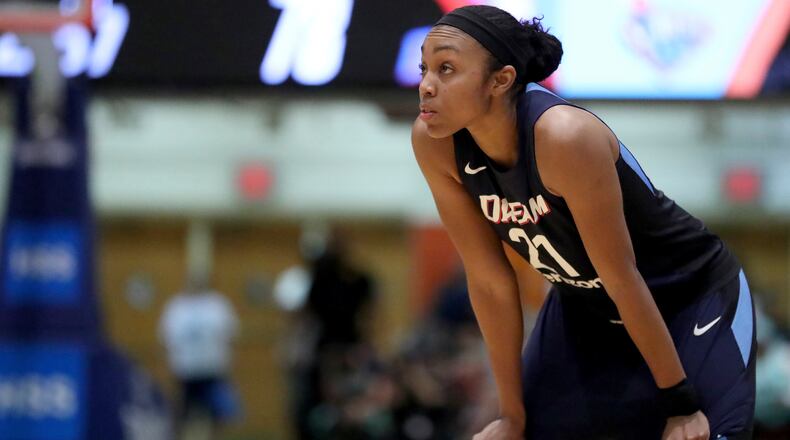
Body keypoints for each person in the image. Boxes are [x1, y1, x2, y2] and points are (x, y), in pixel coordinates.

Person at [411, 5, 755, 440]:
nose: (425, 85)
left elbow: (621, 276)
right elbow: (489, 281)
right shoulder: (434, 144)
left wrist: (681, 403)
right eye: (424, 68)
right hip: (585, 306)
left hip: (688, 295)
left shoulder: (564, 137)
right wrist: (511, 415)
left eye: (446, 69)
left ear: (501, 80)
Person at [158, 272, 241, 440]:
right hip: (185, 370)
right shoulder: (177, 306)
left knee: (218, 414)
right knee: (182, 414)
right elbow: (165, 336)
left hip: (212, 368)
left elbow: (231, 333)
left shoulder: (217, 304)